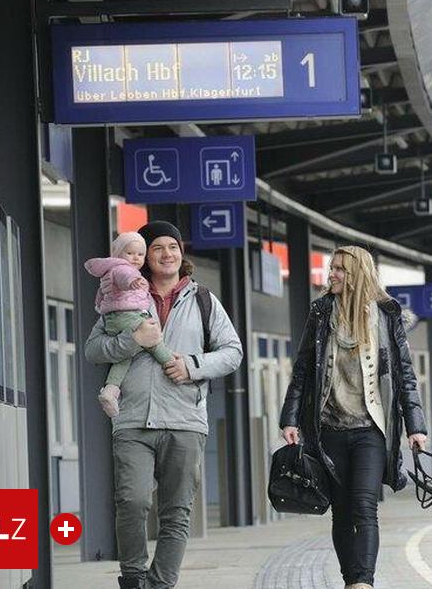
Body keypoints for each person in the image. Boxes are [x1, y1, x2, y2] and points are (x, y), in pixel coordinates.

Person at [85, 221, 243, 589]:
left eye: (173, 246)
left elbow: (232, 351)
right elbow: (93, 349)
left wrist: (192, 366)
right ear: (143, 256)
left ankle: (160, 584)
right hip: (133, 419)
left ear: (181, 254)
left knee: (176, 512)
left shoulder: (203, 300)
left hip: (185, 419)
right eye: (157, 247)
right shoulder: (121, 296)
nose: (166, 254)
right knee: (132, 500)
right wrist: (132, 341)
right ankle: (134, 576)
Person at [279, 246, 428, 589]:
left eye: (339, 269)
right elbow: (302, 370)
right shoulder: (321, 312)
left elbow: (405, 375)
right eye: (331, 268)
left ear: (357, 273)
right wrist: (290, 419)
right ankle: (351, 580)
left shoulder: (386, 315)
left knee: (364, 506)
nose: (331, 274)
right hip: (329, 428)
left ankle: (364, 582)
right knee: (342, 511)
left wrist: (416, 427)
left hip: (370, 430)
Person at [84, 231, 177, 418]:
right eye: (130, 253)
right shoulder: (123, 269)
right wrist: (133, 282)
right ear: (119, 254)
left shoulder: (110, 271)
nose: (135, 258)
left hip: (114, 317)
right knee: (152, 340)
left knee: (125, 355)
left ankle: (110, 390)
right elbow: (124, 278)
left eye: (140, 254)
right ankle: (172, 363)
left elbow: (102, 295)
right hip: (127, 316)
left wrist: (101, 307)